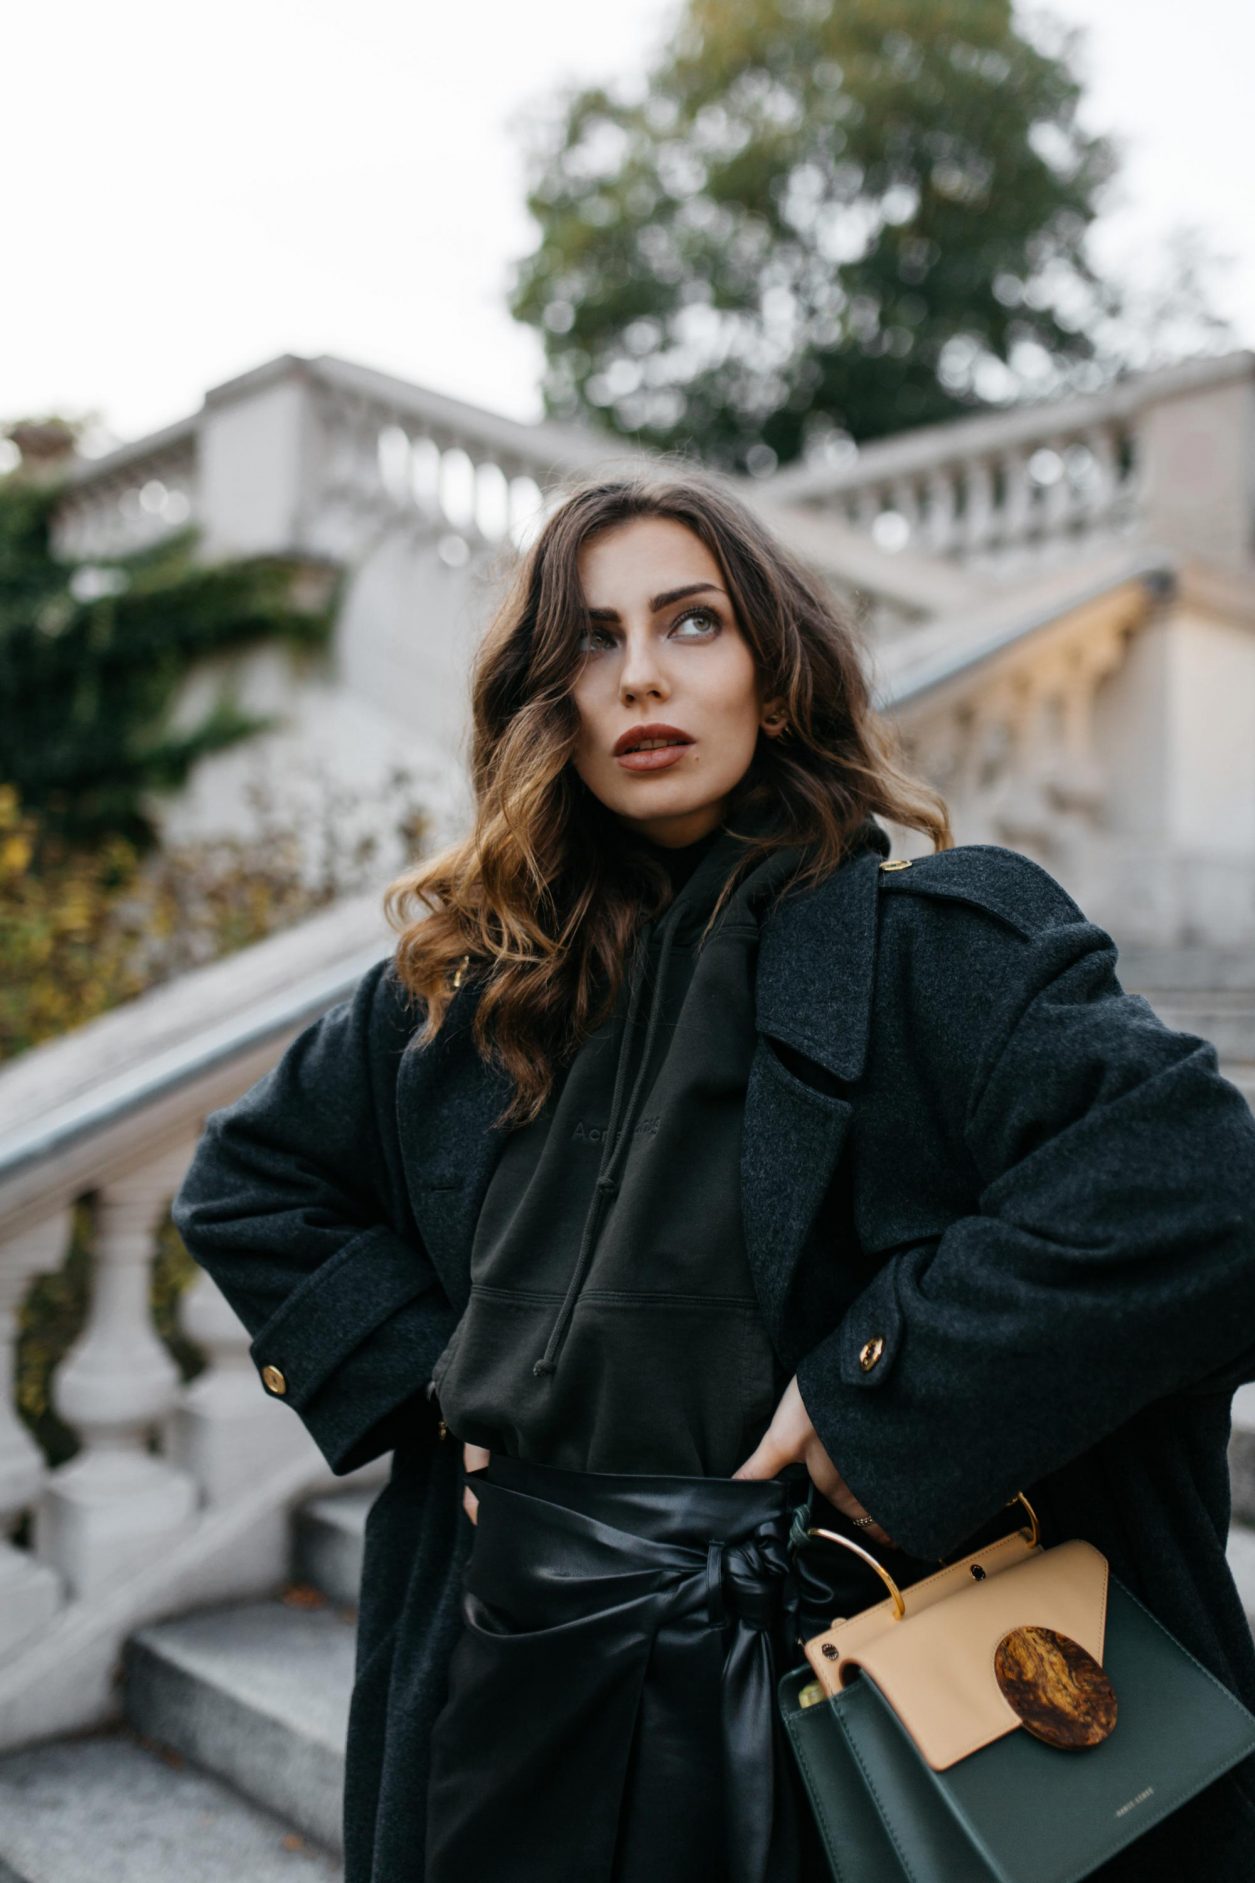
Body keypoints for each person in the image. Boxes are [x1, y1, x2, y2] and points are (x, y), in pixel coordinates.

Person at [171, 464, 1255, 1883]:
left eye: (691, 625)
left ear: (776, 671)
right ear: (544, 698)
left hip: (831, 1649)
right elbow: (246, 1181)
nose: (638, 679)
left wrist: (877, 1386)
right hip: (519, 1653)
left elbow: (1203, 1194)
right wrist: (438, 1382)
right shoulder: (454, 995)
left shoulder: (941, 949)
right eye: (590, 641)